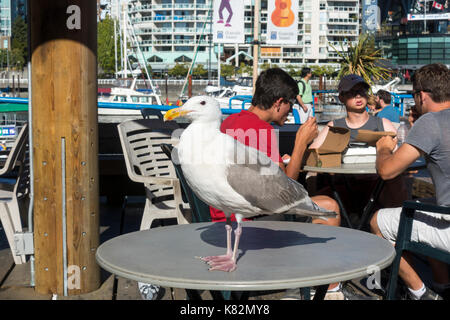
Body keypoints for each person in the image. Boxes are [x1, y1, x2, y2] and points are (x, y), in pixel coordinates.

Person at [213, 68, 366, 300]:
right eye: (290, 106)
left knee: (314, 197)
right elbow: (286, 189)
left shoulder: (230, 122)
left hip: (224, 216)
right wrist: (300, 143)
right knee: (329, 208)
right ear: (278, 103)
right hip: (250, 221)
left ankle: (304, 284)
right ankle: (322, 290)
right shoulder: (261, 129)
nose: (291, 111)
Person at [370, 63, 450, 300]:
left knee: (377, 221)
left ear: (422, 96)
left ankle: (420, 292)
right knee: (426, 206)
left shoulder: (431, 122)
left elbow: (387, 171)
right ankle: (442, 282)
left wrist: (383, 148)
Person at [311, 74, 405, 223]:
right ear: (341, 98)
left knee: (396, 183)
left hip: (376, 187)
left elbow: (398, 158)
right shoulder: (334, 127)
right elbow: (313, 155)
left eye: (362, 91)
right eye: (352, 93)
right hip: (342, 188)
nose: (358, 96)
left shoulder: (383, 123)